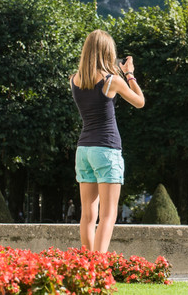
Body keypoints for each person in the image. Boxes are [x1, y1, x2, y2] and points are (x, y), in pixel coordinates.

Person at [71, 29, 144, 252]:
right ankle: (99, 265)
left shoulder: (75, 79)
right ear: (107, 52)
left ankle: (87, 266)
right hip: (106, 149)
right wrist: (129, 74)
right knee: (108, 214)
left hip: (83, 150)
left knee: (87, 214)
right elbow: (140, 101)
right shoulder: (111, 81)